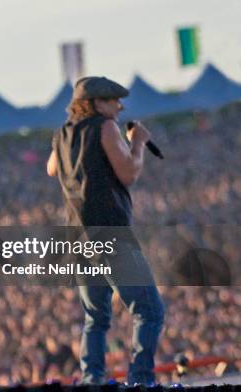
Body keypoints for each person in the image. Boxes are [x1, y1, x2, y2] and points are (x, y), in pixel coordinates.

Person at [46, 77, 165, 384]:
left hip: (79, 239)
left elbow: (52, 168)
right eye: (114, 100)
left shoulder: (62, 134)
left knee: (95, 319)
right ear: (97, 103)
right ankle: (140, 378)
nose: (119, 106)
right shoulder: (106, 127)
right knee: (149, 311)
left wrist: (68, 145)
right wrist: (136, 142)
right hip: (110, 235)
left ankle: (92, 379)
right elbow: (128, 173)